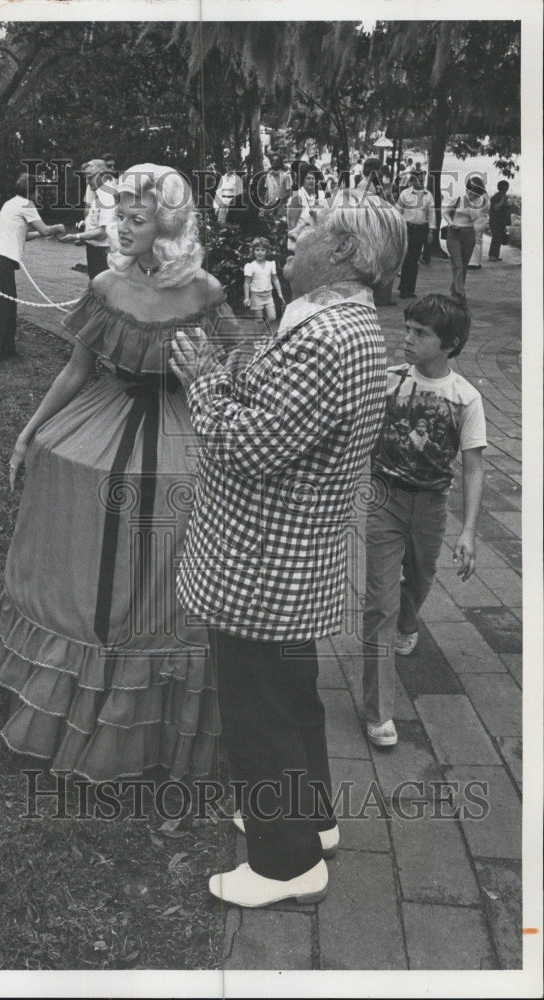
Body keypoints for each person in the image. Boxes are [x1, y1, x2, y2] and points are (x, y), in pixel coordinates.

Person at [169, 199, 407, 907]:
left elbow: (251, 445)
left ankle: (283, 864)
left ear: (340, 252)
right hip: (293, 557)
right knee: (291, 700)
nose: (292, 242)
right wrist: (232, 358)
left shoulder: (324, 335)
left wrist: (202, 379)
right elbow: (285, 411)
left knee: (258, 709)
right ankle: (309, 821)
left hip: (262, 559)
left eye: (305, 233)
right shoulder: (349, 325)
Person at [0, 164, 239, 782]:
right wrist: (28, 431)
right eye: (118, 216)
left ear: (168, 225)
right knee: (86, 530)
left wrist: (212, 383)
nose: (120, 228)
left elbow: (238, 362)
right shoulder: (104, 284)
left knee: (162, 559)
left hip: (181, 426)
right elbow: (76, 370)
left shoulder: (204, 290)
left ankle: (154, 692)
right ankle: (75, 676)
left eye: (136, 218)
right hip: (105, 416)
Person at [362, 294, 485, 747]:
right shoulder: (388, 381)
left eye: (421, 333)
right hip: (384, 499)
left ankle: (409, 620)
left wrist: (469, 531)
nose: (408, 339)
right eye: (408, 329)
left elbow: (473, 466)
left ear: (449, 344)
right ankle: (378, 712)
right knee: (379, 603)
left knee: (419, 577)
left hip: (432, 505)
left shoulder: (464, 398)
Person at [0, 173, 65, 363]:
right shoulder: (27, 204)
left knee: (9, 303)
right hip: (2, 259)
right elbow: (44, 229)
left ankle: (7, 348)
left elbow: (22, 235)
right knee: (2, 304)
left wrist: (43, 234)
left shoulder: (10, 203)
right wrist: (59, 227)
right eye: (37, 191)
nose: (38, 195)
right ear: (31, 191)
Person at [61, 159, 116, 278]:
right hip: (95, 251)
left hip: (101, 253)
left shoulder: (107, 197)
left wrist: (77, 236)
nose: (87, 181)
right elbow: (95, 224)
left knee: (100, 291)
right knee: (95, 289)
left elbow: (102, 233)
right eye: (86, 177)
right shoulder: (99, 194)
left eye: (90, 177)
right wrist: (84, 233)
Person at [441, 176, 489, 301]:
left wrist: (474, 206)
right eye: (470, 191)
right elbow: (446, 212)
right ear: (467, 189)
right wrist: (451, 223)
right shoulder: (458, 199)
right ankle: (461, 293)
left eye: (476, 193)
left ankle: (455, 290)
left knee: (464, 265)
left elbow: (480, 220)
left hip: (469, 235)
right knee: (458, 265)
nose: (472, 194)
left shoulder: (480, 204)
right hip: (454, 233)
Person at [397, 172, 436, 299]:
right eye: (418, 180)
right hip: (407, 228)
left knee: (415, 259)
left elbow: (431, 214)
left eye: (422, 180)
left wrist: (431, 231)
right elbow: (398, 211)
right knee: (407, 258)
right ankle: (403, 288)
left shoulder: (428, 195)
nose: (421, 182)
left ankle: (410, 288)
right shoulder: (405, 194)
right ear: (412, 181)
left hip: (421, 229)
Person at [243, 237, 285, 322]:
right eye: (257, 250)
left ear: (266, 252)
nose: (260, 252)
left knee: (272, 317)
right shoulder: (250, 266)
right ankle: (261, 334)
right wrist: (247, 297)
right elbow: (247, 283)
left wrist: (280, 294)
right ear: (253, 251)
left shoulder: (270, 264)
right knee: (259, 320)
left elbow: (275, 280)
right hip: (256, 296)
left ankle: (264, 331)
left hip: (268, 295)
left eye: (263, 250)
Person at [285, 166, 323, 252]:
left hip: (313, 243)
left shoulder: (317, 196)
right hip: (299, 244)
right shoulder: (298, 197)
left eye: (313, 178)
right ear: (302, 180)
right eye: (308, 178)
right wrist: (297, 240)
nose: (311, 181)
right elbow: (292, 224)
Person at [488, 180, 512, 261]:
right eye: (503, 188)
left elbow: (508, 208)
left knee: (499, 238)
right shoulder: (495, 197)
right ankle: (492, 256)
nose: (505, 190)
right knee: (496, 238)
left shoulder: (505, 197)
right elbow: (496, 207)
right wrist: (502, 200)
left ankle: (495, 255)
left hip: (502, 221)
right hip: (495, 221)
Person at [213, 159, 244, 224]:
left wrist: (233, 205)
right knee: (221, 224)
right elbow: (218, 193)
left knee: (231, 223)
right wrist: (216, 207)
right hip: (222, 204)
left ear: (233, 166)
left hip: (232, 204)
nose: (228, 167)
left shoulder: (237, 179)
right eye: (226, 165)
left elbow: (239, 195)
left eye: (230, 165)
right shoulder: (223, 178)